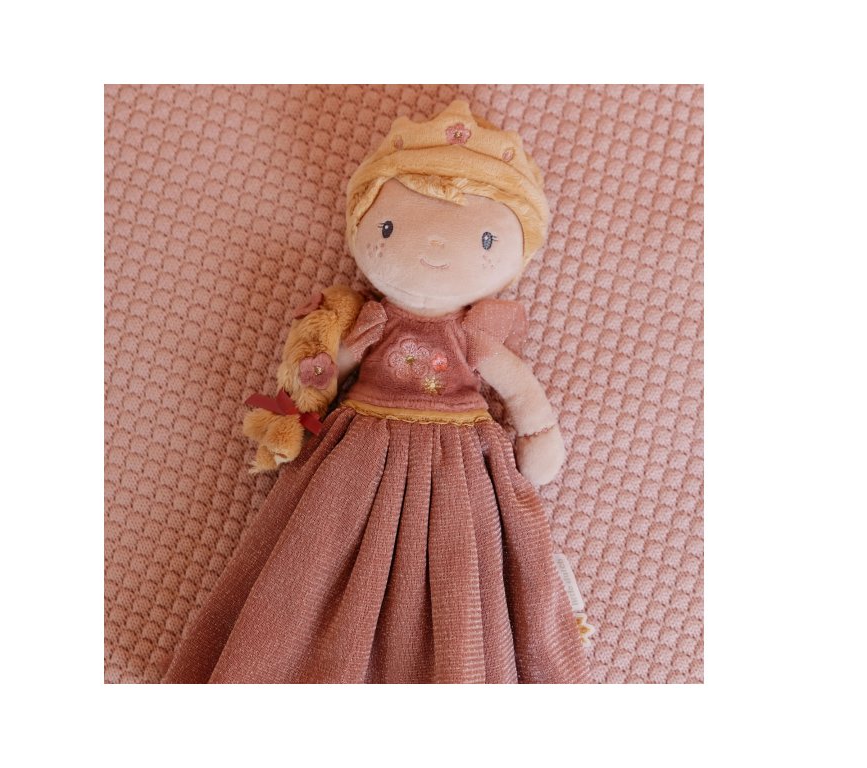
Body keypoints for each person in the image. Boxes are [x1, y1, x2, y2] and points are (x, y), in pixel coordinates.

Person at [163, 100, 591, 683]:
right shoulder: (369, 321)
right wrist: (312, 384)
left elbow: (519, 392)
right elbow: (327, 375)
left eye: (485, 238)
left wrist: (538, 431)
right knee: (316, 558)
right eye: (389, 227)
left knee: (460, 572)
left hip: (459, 466)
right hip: (358, 456)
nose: (434, 246)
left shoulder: (477, 337)